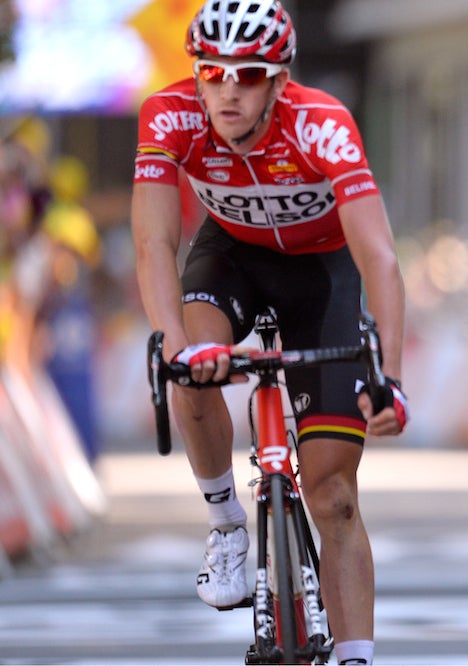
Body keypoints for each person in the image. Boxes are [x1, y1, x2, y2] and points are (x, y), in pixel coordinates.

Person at [131, 2, 407, 664]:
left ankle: (356, 655)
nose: (228, 89)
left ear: (280, 81)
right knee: (193, 362)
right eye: (212, 72)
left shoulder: (322, 122)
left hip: (321, 272)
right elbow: (154, 240)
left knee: (333, 495)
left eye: (248, 74)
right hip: (229, 259)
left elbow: (380, 257)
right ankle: (227, 521)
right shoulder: (168, 113)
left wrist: (389, 376)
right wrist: (172, 343)